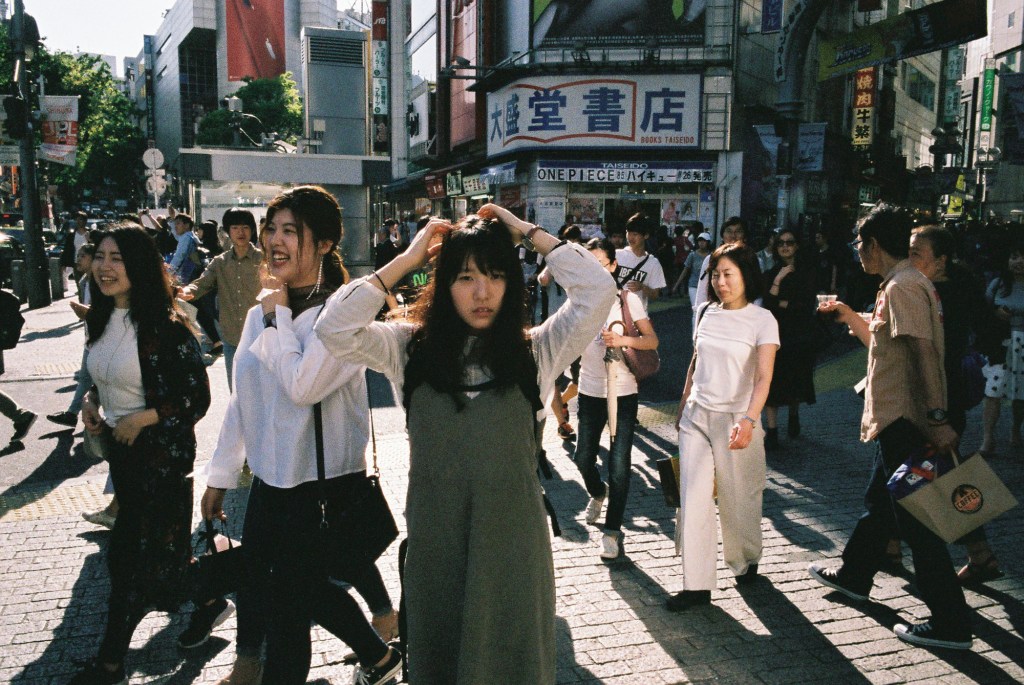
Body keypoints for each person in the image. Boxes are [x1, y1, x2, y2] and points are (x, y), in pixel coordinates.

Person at [314, 203, 617, 684]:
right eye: (465, 277)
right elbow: (332, 328)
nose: (482, 293)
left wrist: (525, 231)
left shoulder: (536, 350)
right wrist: (408, 259)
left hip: (513, 551)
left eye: (496, 275)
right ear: (442, 283)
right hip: (439, 550)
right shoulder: (407, 349)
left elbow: (599, 289)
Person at [201, 186, 401, 685]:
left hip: (320, 487)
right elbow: (242, 397)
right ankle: (374, 654)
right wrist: (221, 474)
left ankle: (369, 652)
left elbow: (300, 388)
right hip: (272, 484)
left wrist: (276, 315)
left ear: (326, 244)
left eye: (290, 230)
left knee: (289, 609)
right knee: (268, 587)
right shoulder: (262, 313)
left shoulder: (338, 320)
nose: (274, 240)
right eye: (272, 228)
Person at [810, 203, 973, 650]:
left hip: (906, 420)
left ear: (874, 245)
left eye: (859, 244)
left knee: (917, 525)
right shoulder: (901, 285)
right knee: (881, 500)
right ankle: (856, 574)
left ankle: (951, 623)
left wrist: (937, 419)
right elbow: (896, 350)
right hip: (896, 419)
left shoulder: (903, 286)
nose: (857, 252)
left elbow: (922, 354)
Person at [69, 223, 212, 685]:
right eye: (101, 257)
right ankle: (212, 595)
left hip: (163, 462)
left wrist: (144, 417)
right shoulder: (99, 317)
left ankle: (110, 665)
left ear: (139, 267)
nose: (105, 268)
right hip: (124, 460)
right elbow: (100, 375)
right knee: (161, 563)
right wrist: (93, 404)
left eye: (118, 259)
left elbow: (197, 397)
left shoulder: (165, 326)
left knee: (128, 562)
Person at [667, 244, 778, 611]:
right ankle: (696, 585)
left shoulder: (762, 320)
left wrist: (749, 420)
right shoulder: (705, 312)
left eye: (728, 274)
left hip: (737, 419)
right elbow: (695, 362)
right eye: (715, 275)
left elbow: (763, 378)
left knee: (739, 496)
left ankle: (745, 559)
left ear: (747, 275)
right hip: (697, 416)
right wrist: (683, 407)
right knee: (694, 498)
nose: (721, 282)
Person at [908, 226, 1003, 585]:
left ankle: (979, 555)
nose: (910, 258)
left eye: (918, 252)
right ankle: (884, 542)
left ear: (942, 261)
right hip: (941, 395)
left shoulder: (940, 292)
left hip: (941, 398)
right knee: (941, 472)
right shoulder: (940, 287)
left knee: (942, 476)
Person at [574, 239, 658, 559]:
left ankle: (612, 532)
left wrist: (622, 339)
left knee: (620, 465)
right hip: (590, 390)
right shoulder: (578, 301)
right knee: (583, 458)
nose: (595, 269)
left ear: (612, 266)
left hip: (622, 392)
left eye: (600, 263)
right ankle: (598, 492)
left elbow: (651, 340)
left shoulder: (627, 299)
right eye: (588, 263)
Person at [180, 208, 263, 389]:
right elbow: (201, 283)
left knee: (261, 393)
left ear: (252, 230)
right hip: (232, 337)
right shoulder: (220, 262)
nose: (241, 232)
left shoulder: (263, 260)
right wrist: (185, 291)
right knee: (236, 392)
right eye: (235, 228)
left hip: (261, 338)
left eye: (245, 227)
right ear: (227, 231)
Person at [762, 228, 817, 448]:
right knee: (771, 382)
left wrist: (781, 303)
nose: (785, 246)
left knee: (795, 380)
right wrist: (780, 279)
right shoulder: (771, 273)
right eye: (781, 243)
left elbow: (805, 305)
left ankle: (794, 416)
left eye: (790, 242)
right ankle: (773, 430)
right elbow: (768, 303)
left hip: (799, 335)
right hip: (775, 335)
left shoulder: (806, 273)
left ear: (797, 246)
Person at [980, 238, 1024, 455]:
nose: (1019, 261)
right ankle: (988, 439)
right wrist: (996, 315)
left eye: (1023, 257)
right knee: (994, 391)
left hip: (1023, 346)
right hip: (1001, 346)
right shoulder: (998, 284)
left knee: (1020, 394)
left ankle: (1016, 429)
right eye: (1014, 256)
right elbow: (983, 312)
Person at [692, 216, 747, 316]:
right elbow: (702, 293)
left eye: (738, 231)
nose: (733, 236)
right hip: (716, 314)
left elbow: (757, 295)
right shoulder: (710, 260)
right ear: (722, 235)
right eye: (729, 231)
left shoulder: (752, 260)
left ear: (744, 235)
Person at [616, 213, 666, 309]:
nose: (630, 238)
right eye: (628, 233)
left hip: (639, 316)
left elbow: (656, 294)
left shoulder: (653, 263)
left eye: (635, 234)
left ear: (646, 235)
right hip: (616, 314)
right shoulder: (617, 255)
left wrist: (642, 287)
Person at [673, 231, 710, 303]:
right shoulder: (692, 255)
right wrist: (676, 285)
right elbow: (685, 270)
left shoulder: (711, 256)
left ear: (708, 242)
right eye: (700, 240)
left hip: (706, 286)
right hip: (693, 285)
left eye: (704, 241)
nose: (701, 243)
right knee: (695, 306)